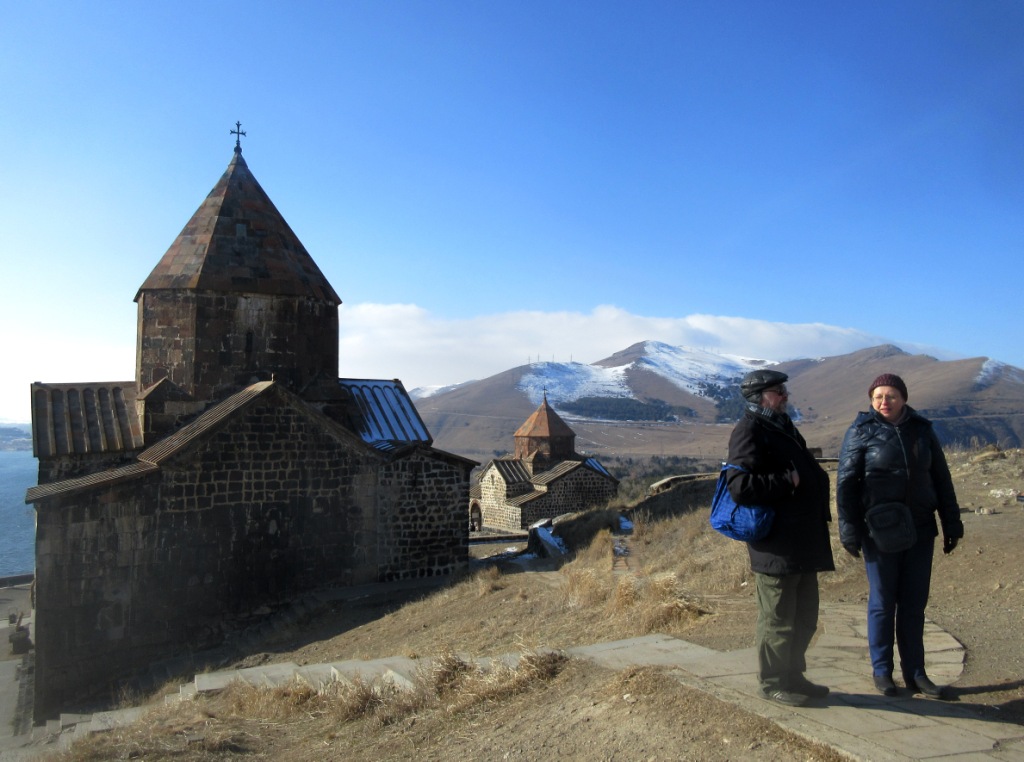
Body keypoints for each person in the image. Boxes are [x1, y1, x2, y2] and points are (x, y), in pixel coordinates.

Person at [837, 373, 964, 699]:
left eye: (891, 395)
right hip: (879, 531)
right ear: (871, 400)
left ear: (903, 398)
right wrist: (849, 529)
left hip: (920, 528)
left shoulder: (922, 430)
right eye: (878, 396)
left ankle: (916, 673)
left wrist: (952, 523)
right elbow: (846, 484)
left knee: (914, 603)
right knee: (882, 603)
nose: (884, 402)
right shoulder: (861, 431)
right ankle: (882, 671)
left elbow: (941, 478)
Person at [727, 369, 835, 707]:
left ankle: (793, 676)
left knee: (804, 616)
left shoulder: (780, 426)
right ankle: (773, 682)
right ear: (759, 397)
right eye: (778, 391)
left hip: (801, 541)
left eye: (784, 389)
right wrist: (786, 482)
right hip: (777, 545)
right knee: (778, 619)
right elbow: (739, 487)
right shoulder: (750, 430)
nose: (785, 395)